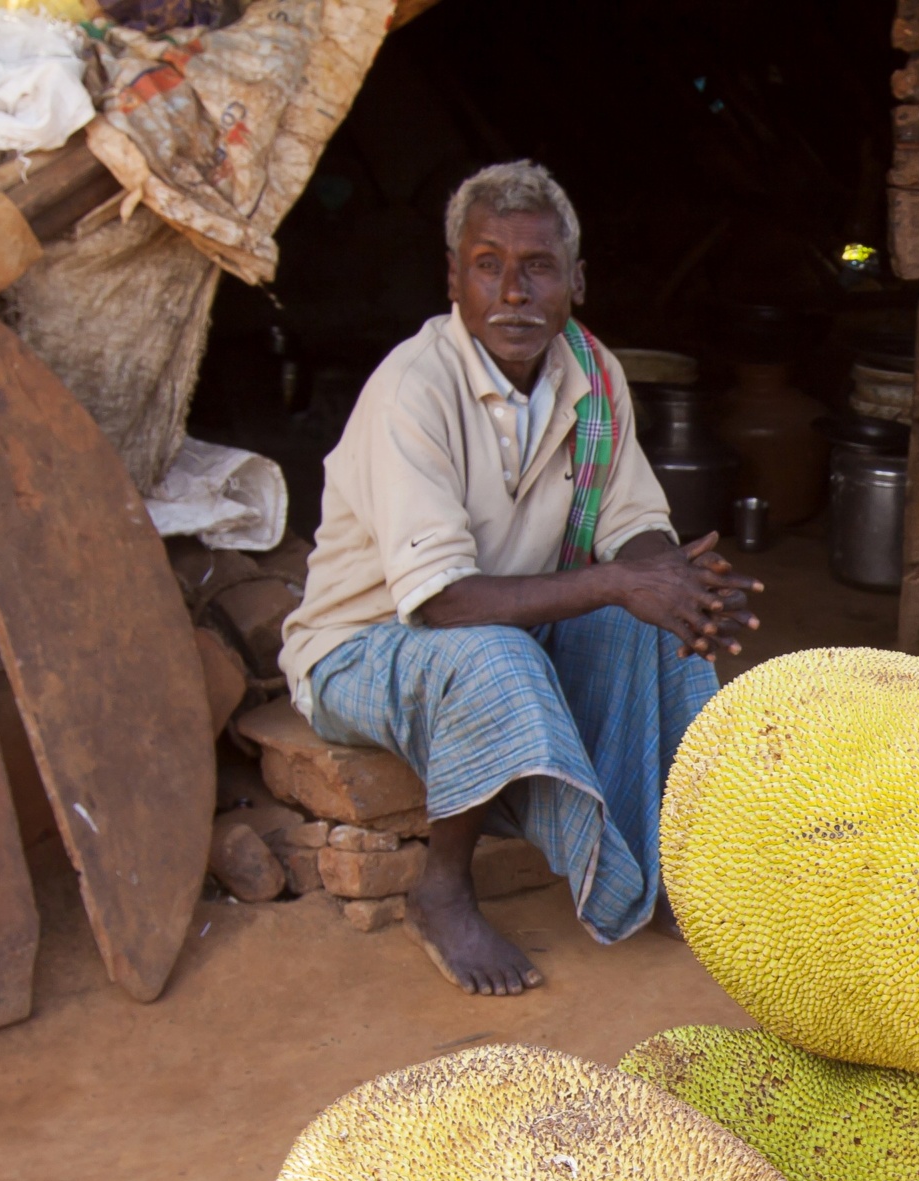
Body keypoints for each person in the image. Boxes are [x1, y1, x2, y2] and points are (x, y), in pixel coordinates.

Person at [278, 160, 758, 996]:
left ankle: (676, 865)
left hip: (508, 629)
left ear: (575, 279)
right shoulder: (412, 390)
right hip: (364, 649)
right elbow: (446, 602)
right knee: (500, 654)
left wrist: (678, 582)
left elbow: (631, 520)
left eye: (537, 266)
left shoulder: (594, 374)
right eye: (487, 264)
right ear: (454, 280)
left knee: (665, 636)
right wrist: (617, 584)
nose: (513, 290)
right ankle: (442, 888)